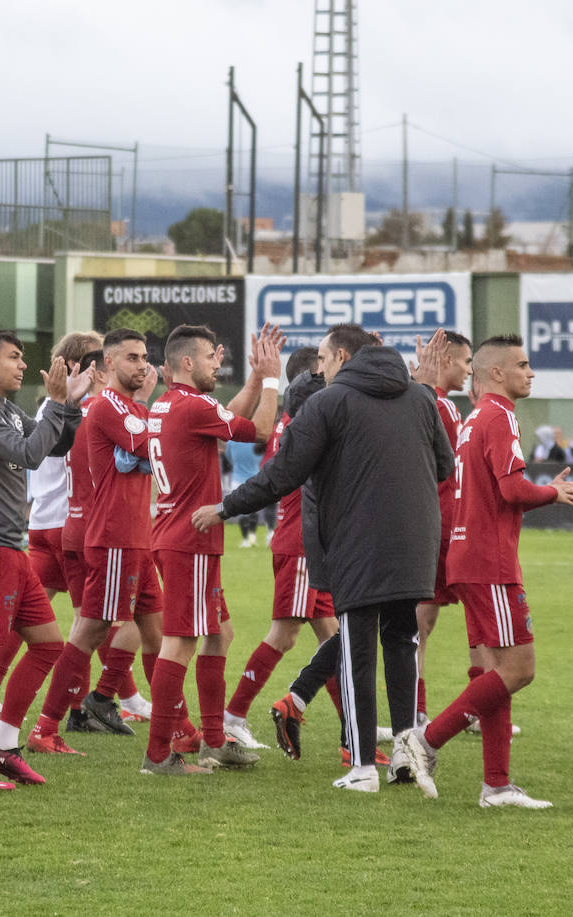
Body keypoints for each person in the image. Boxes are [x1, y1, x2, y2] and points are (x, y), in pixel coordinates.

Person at [196, 325, 453, 793]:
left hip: (357, 545)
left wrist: (225, 506)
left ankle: (361, 768)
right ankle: (402, 752)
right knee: (401, 644)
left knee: (356, 654)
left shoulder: (329, 402)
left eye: (322, 358)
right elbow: (443, 466)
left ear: (340, 356)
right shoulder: (420, 398)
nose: (319, 367)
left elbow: (282, 473)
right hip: (416, 547)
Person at [397, 334, 573, 809]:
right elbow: (511, 490)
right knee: (519, 669)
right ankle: (424, 741)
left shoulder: (473, 419)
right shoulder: (501, 416)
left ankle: (497, 786)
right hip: (490, 561)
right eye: (523, 365)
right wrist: (552, 493)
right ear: (496, 374)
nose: (531, 373)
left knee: (493, 672)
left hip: (468, 556)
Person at [0, 329, 89, 790]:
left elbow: (56, 446)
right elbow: (29, 454)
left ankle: (4, 748)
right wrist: (56, 403)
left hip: (11, 548)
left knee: (48, 645)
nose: (23, 365)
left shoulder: (3, 409)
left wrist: (69, 404)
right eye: (15, 357)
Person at [142, 323, 282, 777]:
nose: (218, 362)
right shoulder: (193, 405)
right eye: (210, 357)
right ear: (187, 362)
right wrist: (273, 378)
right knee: (179, 643)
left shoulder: (166, 405)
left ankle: (216, 741)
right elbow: (259, 429)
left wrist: (255, 380)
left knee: (219, 632)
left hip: (174, 535)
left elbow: (223, 423)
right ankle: (160, 755)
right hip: (190, 542)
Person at [28, 329, 164, 754]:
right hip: (111, 537)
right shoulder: (106, 407)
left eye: (144, 357)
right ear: (106, 365)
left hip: (130, 535)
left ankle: (158, 719)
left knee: (157, 632)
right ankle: (44, 726)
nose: (142, 365)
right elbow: (154, 446)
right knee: (90, 630)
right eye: (131, 358)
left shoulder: (122, 406)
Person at [223, 350, 340, 753]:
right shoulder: (306, 424)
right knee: (284, 634)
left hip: (310, 543)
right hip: (302, 544)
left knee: (335, 638)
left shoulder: (292, 421)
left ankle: (352, 730)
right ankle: (233, 716)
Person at [404, 331, 474, 731]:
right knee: (421, 625)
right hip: (441, 528)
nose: (468, 370)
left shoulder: (436, 403)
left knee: (422, 625)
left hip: (441, 526)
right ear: (445, 360)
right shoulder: (438, 406)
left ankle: (432, 710)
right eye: (465, 362)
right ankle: (422, 711)